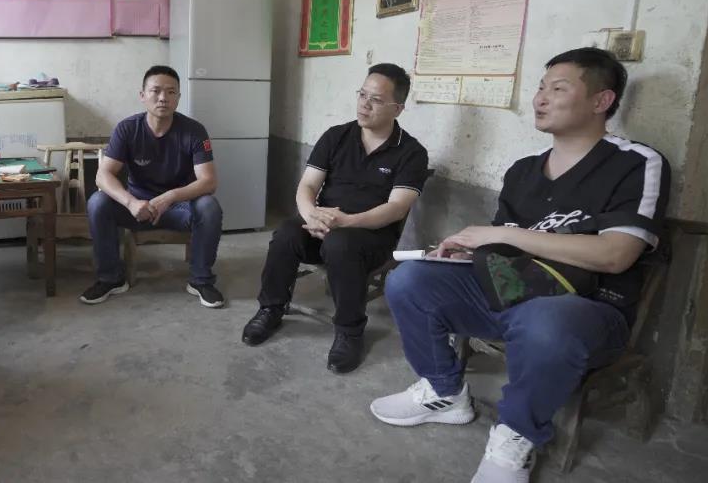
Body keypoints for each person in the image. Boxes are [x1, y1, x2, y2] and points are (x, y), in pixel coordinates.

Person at [370, 48, 670, 482]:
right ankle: (444, 392)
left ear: (601, 101)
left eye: (558, 89)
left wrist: (503, 235)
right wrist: (467, 253)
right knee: (410, 280)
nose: (540, 98)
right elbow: (503, 253)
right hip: (511, 290)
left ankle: (515, 434)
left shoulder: (635, 162)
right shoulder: (523, 171)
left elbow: (616, 254)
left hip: (586, 310)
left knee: (544, 321)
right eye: (540, 87)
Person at [241, 64, 429, 374]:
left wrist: (347, 222)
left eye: (376, 100)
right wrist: (311, 215)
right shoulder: (337, 136)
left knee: (341, 244)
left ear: (397, 108)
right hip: (323, 225)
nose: (364, 104)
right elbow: (308, 185)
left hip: (371, 236)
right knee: (287, 233)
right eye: (362, 95)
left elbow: (397, 208)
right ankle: (271, 309)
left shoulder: (411, 153)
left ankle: (350, 331)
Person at [81, 65, 224, 308]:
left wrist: (170, 197)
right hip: (138, 208)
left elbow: (209, 181)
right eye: (155, 91)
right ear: (142, 95)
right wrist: (130, 202)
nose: (163, 98)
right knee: (98, 202)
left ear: (178, 97)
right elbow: (103, 176)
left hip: (178, 209)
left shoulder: (194, 131)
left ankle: (201, 281)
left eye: (171, 92)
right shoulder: (128, 129)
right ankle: (111, 279)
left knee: (209, 206)